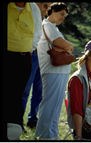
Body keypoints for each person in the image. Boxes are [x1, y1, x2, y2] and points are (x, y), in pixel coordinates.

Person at [35, 2, 74, 140]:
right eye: (61, 14)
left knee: (56, 105)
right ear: (52, 11)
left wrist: (67, 46)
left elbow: (64, 45)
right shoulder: (47, 25)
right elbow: (61, 43)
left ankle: (52, 134)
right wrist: (69, 45)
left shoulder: (54, 28)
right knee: (50, 103)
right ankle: (44, 135)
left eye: (65, 15)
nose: (63, 17)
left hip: (59, 71)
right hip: (52, 70)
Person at [3, 2, 39, 140]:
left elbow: (37, 33)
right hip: (7, 55)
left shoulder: (33, 7)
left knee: (17, 95)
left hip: (24, 58)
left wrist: (28, 48)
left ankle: (12, 134)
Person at [21, 2, 51, 129]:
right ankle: (17, 121)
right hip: (31, 55)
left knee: (39, 90)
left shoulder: (45, 21)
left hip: (43, 58)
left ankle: (33, 118)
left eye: (49, 7)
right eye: (46, 6)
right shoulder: (29, 15)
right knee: (25, 90)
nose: (47, 9)